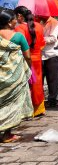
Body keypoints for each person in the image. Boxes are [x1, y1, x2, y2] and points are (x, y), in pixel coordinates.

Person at [0, 10, 32, 143]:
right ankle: (7, 134)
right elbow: (28, 56)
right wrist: (28, 68)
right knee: (13, 103)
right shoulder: (18, 37)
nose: (16, 21)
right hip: (15, 77)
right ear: (9, 22)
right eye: (14, 19)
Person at [15, 6, 46, 117]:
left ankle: (28, 110)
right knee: (37, 83)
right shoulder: (38, 26)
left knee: (26, 84)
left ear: (19, 16)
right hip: (37, 58)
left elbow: (19, 46)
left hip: (25, 59)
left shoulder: (19, 29)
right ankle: (39, 109)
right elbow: (42, 44)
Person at [42, 15, 58, 108]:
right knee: (42, 79)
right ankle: (46, 100)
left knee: (53, 80)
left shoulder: (54, 23)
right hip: (42, 55)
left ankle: (53, 101)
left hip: (53, 54)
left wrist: (40, 39)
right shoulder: (39, 22)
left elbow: (54, 38)